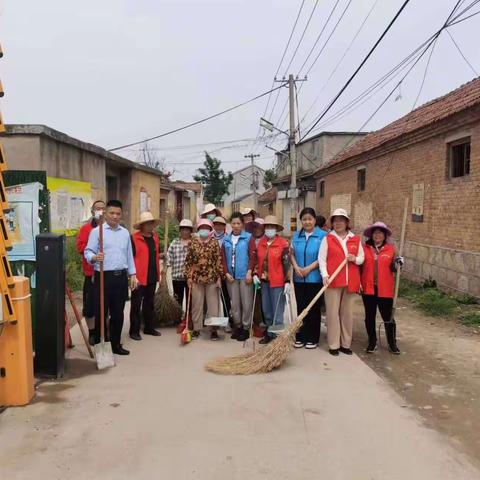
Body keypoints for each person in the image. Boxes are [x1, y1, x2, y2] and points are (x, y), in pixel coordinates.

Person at [85, 200, 137, 356]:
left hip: (120, 277)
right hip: (103, 276)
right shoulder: (97, 231)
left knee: (118, 313)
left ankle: (115, 344)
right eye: (112, 213)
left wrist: (132, 274)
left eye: (118, 214)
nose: (115, 216)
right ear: (105, 214)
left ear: (121, 215)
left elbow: (129, 256)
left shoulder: (125, 233)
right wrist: (95, 257)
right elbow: (88, 251)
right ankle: (103, 343)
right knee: (101, 312)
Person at [318, 208, 364, 356]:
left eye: (341, 220)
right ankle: (333, 344)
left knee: (347, 314)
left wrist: (354, 259)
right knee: (332, 314)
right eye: (335, 220)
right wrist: (325, 275)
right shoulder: (328, 239)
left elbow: (362, 258)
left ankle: (345, 344)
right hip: (333, 281)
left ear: (347, 222)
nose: (338, 223)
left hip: (350, 282)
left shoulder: (355, 239)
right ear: (332, 223)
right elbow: (322, 259)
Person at [361, 222, 403, 354]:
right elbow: (359, 267)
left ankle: (392, 343)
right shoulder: (365, 248)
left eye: (380, 232)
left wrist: (398, 263)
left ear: (384, 235)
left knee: (388, 317)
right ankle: (372, 341)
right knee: (369, 316)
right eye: (375, 232)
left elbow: (394, 268)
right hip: (368, 288)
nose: (377, 235)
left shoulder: (390, 249)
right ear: (372, 235)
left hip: (385, 289)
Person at [290, 207, 327, 349]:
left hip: (314, 278)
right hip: (299, 277)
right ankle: (301, 336)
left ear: (315, 220)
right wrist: (296, 267)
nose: (307, 222)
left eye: (310, 219)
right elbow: (291, 253)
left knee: (313, 309)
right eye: (304, 219)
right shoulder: (296, 236)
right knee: (301, 307)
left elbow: (322, 257)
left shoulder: (322, 236)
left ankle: (312, 338)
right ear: (301, 221)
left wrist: (308, 269)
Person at [184, 219, 224, 341]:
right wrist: (188, 277)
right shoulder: (193, 243)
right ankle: (196, 329)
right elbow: (188, 261)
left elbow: (218, 260)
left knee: (213, 306)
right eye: (202, 227)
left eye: (207, 227)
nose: (204, 230)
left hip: (212, 278)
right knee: (197, 305)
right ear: (198, 229)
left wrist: (219, 277)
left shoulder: (214, 243)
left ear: (210, 229)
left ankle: (213, 330)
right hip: (196, 278)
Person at [254, 215, 290, 344]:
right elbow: (258, 261)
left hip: (278, 282)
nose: (269, 229)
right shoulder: (262, 243)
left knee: (277, 312)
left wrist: (287, 281)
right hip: (264, 282)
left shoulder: (283, 244)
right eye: (267, 227)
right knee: (267, 310)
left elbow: (287, 264)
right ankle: (269, 334)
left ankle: (277, 337)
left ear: (276, 229)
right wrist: (255, 274)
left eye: (272, 227)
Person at [129, 212, 162, 341]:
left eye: (151, 223)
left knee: (149, 303)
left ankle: (149, 328)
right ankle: (134, 331)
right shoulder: (134, 238)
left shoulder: (155, 237)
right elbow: (130, 257)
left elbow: (155, 254)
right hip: (138, 277)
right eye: (147, 223)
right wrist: (131, 275)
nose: (150, 226)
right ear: (142, 225)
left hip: (152, 275)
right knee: (136, 305)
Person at [76, 200, 105, 345]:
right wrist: (92, 249)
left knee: (106, 304)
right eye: (97, 209)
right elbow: (80, 247)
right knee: (90, 307)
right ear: (93, 211)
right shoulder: (86, 229)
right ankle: (92, 333)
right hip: (91, 273)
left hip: (107, 273)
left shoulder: (111, 228)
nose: (100, 211)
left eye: (102, 208)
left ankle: (104, 331)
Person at [222, 212, 254, 342]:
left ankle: (246, 328)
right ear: (231, 224)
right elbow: (222, 258)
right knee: (234, 304)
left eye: (238, 223)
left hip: (244, 275)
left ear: (243, 224)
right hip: (231, 276)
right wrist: (225, 272)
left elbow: (253, 256)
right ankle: (238, 326)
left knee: (246, 303)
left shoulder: (248, 238)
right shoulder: (226, 239)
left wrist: (250, 271)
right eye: (234, 223)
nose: (236, 226)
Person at [167, 219, 193, 310]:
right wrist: (165, 266)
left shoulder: (194, 243)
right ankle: (178, 318)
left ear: (190, 231)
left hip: (190, 278)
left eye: (187, 230)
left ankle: (188, 320)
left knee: (190, 301)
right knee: (178, 300)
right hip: (177, 277)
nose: (185, 232)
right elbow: (169, 257)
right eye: (183, 230)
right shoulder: (175, 242)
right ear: (180, 231)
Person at [213, 216, 232, 326]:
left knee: (226, 297)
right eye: (216, 224)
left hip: (225, 272)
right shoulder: (210, 238)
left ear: (224, 226)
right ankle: (213, 323)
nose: (218, 227)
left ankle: (227, 320)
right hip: (212, 272)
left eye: (221, 225)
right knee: (213, 299)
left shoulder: (228, 238)